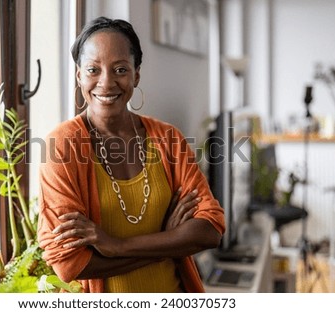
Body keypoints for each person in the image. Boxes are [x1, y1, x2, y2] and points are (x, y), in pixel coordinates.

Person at [37, 16, 225, 293]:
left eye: (120, 69)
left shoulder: (168, 139)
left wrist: (116, 246)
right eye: (93, 70)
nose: (106, 82)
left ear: (136, 74)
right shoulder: (62, 146)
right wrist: (168, 240)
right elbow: (70, 263)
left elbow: (210, 229)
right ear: (79, 76)